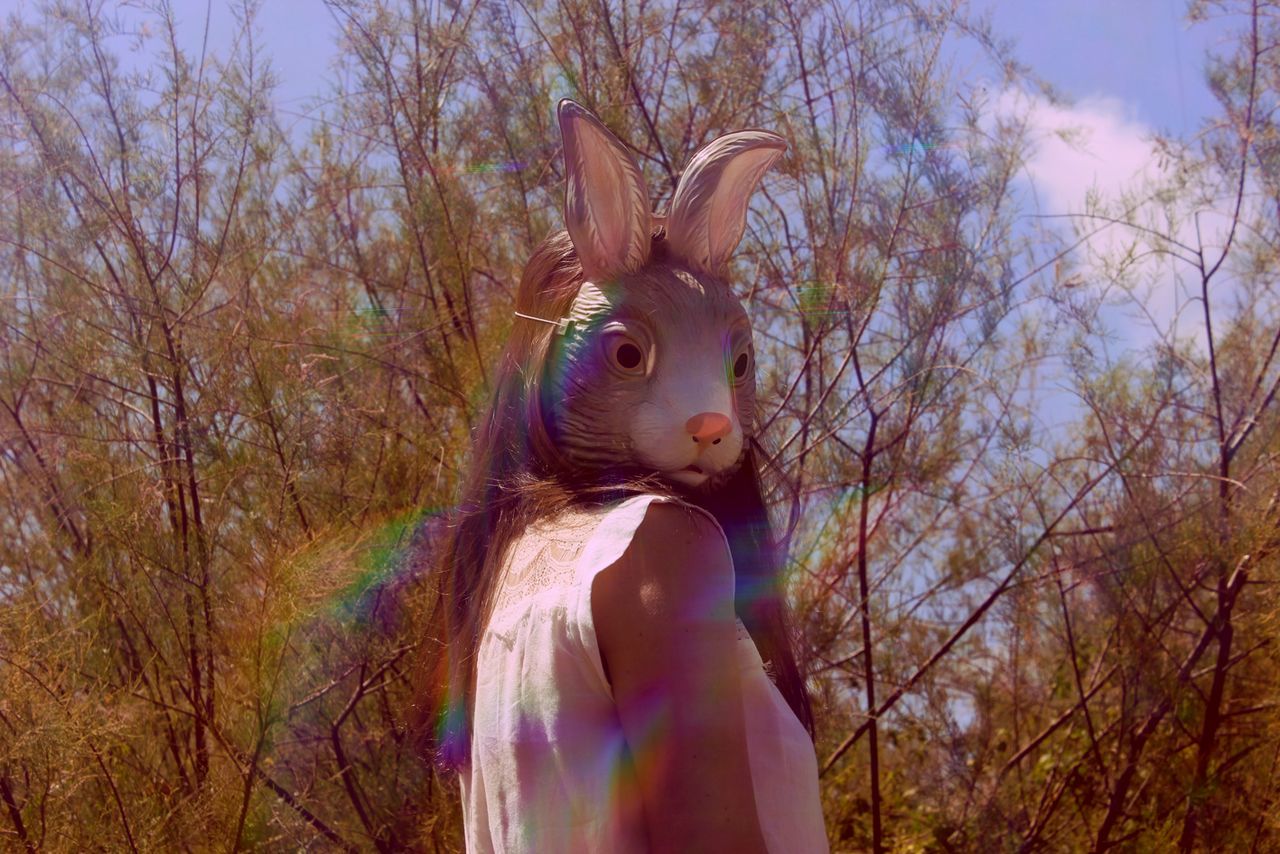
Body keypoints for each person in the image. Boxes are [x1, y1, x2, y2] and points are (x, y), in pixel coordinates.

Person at [417, 99, 828, 853]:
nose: (713, 414)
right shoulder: (658, 545)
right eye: (628, 356)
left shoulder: (505, 590)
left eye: (734, 366)